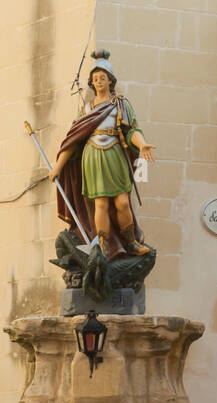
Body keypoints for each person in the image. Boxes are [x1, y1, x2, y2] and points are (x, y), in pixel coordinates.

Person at [49, 50, 156, 260]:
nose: (99, 82)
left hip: (114, 155)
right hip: (93, 157)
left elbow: (132, 130)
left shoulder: (120, 104)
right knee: (101, 204)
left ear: (110, 81)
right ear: (91, 82)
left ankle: (131, 241)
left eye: (103, 78)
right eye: (95, 79)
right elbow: (73, 140)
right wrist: (58, 167)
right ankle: (104, 246)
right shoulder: (86, 109)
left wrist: (141, 145)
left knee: (122, 202)